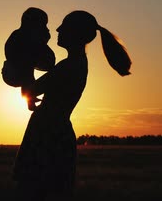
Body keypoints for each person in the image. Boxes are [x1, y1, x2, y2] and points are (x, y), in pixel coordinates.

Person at [12, 10, 132, 200]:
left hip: (47, 133)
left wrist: (23, 60)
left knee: (34, 190)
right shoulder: (76, 64)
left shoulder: (68, 66)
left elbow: (31, 89)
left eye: (64, 26)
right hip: (56, 131)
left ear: (75, 33)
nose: (58, 29)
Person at [2, 7, 56, 111]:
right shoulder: (20, 36)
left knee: (28, 70)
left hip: (15, 70)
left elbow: (47, 60)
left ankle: (30, 98)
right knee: (27, 71)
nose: (46, 28)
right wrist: (42, 42)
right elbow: (14, 54)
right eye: (43, 25)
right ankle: (29, 98)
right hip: (12, 71)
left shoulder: (24, 37)